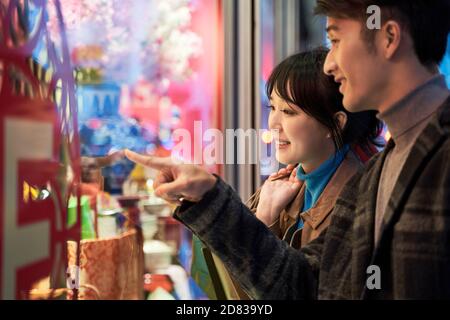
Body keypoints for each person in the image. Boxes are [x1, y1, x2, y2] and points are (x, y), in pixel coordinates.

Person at [125, 0, 450, 299]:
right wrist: (207, 194)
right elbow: (304, 284)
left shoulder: (416, 161)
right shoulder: (378, 173)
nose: (329, 65)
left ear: (388, 38)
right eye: (274, 108)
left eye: (335, 40)